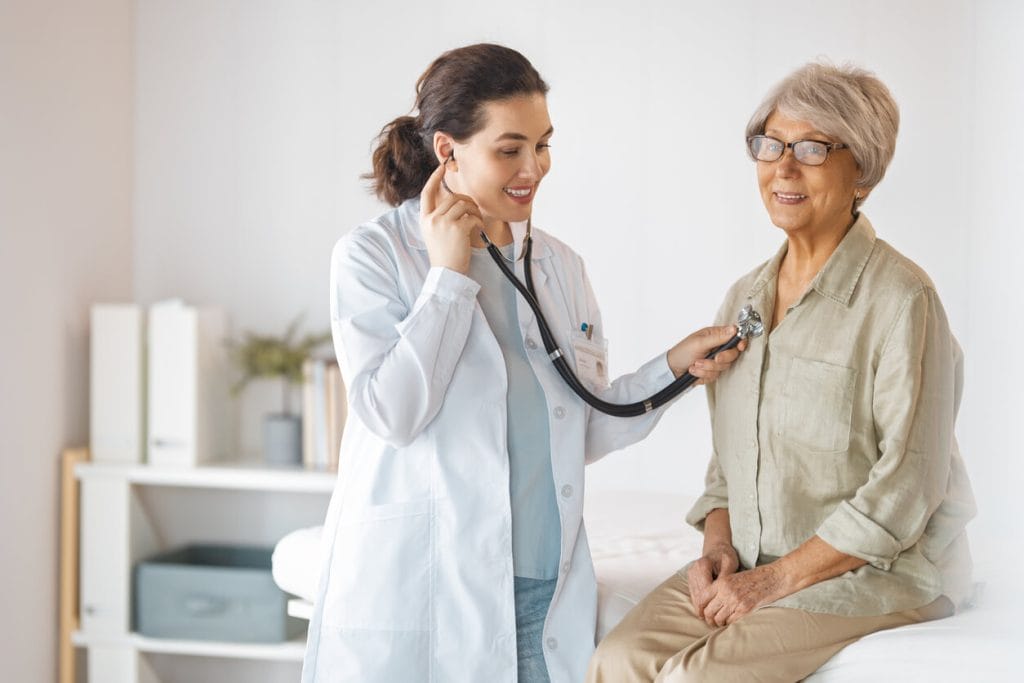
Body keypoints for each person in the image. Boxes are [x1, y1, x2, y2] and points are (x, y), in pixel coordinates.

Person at [300, 43, 743, 683]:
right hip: (428, 584)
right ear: (448, 150)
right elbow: (392, 414)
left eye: (543, 144)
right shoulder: (375, 256)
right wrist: (449, 275)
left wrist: (671, 370)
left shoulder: (558, 264)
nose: (533, 168)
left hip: (541, 587)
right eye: (510, 149)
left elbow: (579, 425)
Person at [587, 62, 976, 683]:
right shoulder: (744, 300)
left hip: (874, 575)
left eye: (812, 148)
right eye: (770, 145)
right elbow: (728, 472)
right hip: (749, 562)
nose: (783, 168)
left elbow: (904, 490)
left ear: (864, 175)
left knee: (698, 678)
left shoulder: (904, 300)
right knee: (616, 659)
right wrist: (719, 551)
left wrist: (771, 582)